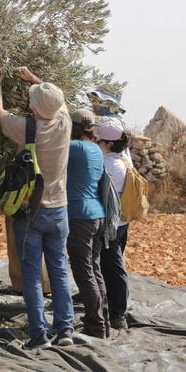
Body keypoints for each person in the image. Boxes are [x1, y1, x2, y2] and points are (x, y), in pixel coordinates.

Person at [0, 66, 74, 349]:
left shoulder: (26, 127)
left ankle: (39, 335)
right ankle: (65, 331)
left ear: (33, 107)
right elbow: (59, 102)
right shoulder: (64, 124)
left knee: (31, 275)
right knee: (60, 270)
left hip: (30, 211)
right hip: (59, 209)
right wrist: (37, 80)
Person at [65, 109, 107, 338]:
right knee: (95, 268)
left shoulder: (75, 148)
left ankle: (95, 323)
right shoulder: (96, 150)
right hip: (97, 215)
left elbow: (48, 145)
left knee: (83, 272)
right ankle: (103, 318)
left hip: (80, 216)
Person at [96, 119, 132, 331]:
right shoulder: (125, 159)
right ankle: (112, 306)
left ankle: (118, 313)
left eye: (98, 140)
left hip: (111, 224)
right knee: (110, 265)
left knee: (114, 267)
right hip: (122, 222)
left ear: (109, 144)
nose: (96, 143)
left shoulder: (108, 165)